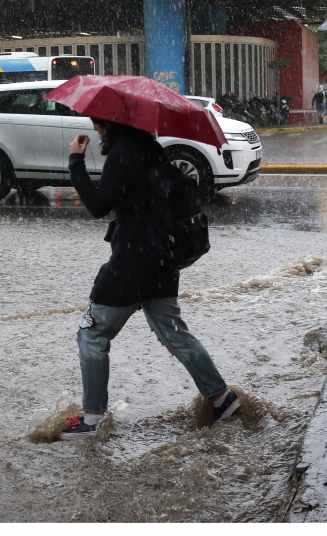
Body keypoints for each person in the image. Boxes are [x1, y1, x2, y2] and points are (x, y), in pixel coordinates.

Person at [59, 119, 240, 439]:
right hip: (163, 263)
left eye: (99, 125)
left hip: (130, 264)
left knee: (92, 334)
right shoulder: (152, 150)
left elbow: (99, 205)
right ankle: (222, 399)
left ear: (111, 125)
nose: (97, 129)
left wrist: (76, 161)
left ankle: (91, 420)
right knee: (175, 334)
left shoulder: (121, 154)